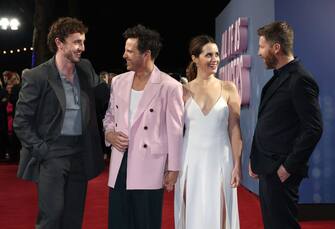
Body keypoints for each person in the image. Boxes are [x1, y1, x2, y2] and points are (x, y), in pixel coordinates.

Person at [13, 17, 105, 228]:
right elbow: (21, 120)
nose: (82, 47)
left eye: (83, 42)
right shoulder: (37, 76)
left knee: (73, 218)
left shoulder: (85, 68)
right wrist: (41, 149)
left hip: (80, 154)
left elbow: (106, 95)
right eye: (76, 42)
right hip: (52, 153)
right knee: (51, 216)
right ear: (59, 43)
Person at [103, 24, 184, 229]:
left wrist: (173, 168)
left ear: (146, 54)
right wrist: (110, 133)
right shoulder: (118, 82)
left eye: (129, 51)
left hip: (150, 165)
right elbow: (110, 115)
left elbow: (175, 131)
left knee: (145, 221)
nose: (124, 55)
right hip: (120, 161)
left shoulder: (170, 86)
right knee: (119, 221)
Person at [249, 21, 323, 229]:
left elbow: (314, 128)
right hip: (268, 167)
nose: (259, 52)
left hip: (281, 171)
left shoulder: (300, 79)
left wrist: (288, 168)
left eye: (262, 46)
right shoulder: (277, 78)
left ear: (276, 48)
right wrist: (255, 158)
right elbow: (268, 123)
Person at [174, 35, 242, 229]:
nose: (215, 59)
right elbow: (175, 132)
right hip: (190, 158)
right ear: (195, 58)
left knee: (221, 213)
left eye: (217, 54)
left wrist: (237, 163)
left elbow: (235, 128)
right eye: (209, 55)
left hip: (221, 157)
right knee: (190, 213)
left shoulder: (229, 88)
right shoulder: (182, 91)